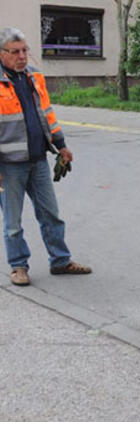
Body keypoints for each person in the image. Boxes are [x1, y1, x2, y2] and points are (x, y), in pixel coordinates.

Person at [0, 28, 92, 286]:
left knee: (51, 214)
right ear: (2, 54)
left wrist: (61, 146)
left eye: (24, 50)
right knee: (13, 222)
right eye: (15, 52)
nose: (22, 56)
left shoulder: (33, 78)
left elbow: (47, 115)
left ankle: (60, 261)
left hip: (38, 160)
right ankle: (18, 266)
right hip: (8, 166)